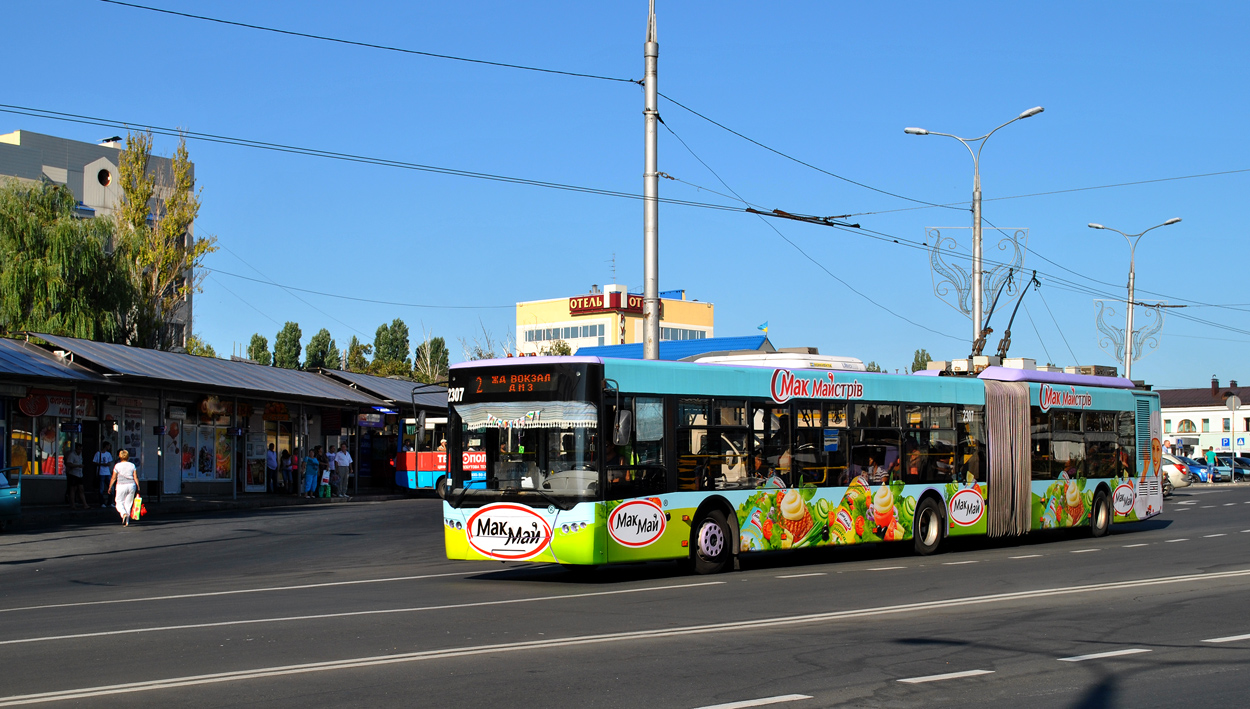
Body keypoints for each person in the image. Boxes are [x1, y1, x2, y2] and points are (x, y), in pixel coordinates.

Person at [108, 449, 139, 526]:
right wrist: (138, 486)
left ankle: (123, 513)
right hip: (131, 485)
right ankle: (127, 521)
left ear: (120, 456)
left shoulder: (117, 465)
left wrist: (110, 487)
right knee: (128, 504)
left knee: (119, 502)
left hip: (121, 485)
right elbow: (135, 477)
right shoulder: (132, 465)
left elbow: (113, 478)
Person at [66, 443, 87, 509]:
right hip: (73, 474)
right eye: (78, 449)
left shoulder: (80, 455)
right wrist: (77, 466)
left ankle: (85, 504)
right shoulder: (72, 455)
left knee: (81, 489)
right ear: (76, 449)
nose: (80, 451)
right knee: (73, 489)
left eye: (81, 449)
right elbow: (69, 464)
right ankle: (72, 505)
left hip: (79, 474)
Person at [93, 442, 114, 508]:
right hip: (101, 473)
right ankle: (102, 502)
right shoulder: (98, 454)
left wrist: (107, 464)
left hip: (107, 473)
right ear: (106, 446)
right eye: (108, 446)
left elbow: (110, 463)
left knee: (111, 488)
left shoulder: (108, 454)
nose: (109, 447)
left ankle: (110, 502)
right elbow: (94, 462)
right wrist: (102, 464)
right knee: (101, 489)